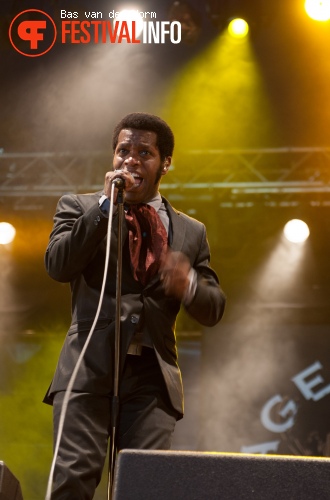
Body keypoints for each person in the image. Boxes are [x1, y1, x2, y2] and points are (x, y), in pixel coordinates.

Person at [44, 112, 226, 499]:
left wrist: (188, 283)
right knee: (73, 479)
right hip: (87, 367)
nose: (131, 160)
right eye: (123, 150)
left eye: (144, 152)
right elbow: (58, 265)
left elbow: (213, 308)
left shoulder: (191, 231)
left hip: (152, 377)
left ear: (165, 164)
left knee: (145, 485)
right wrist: (105, 208)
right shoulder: (80, 207)